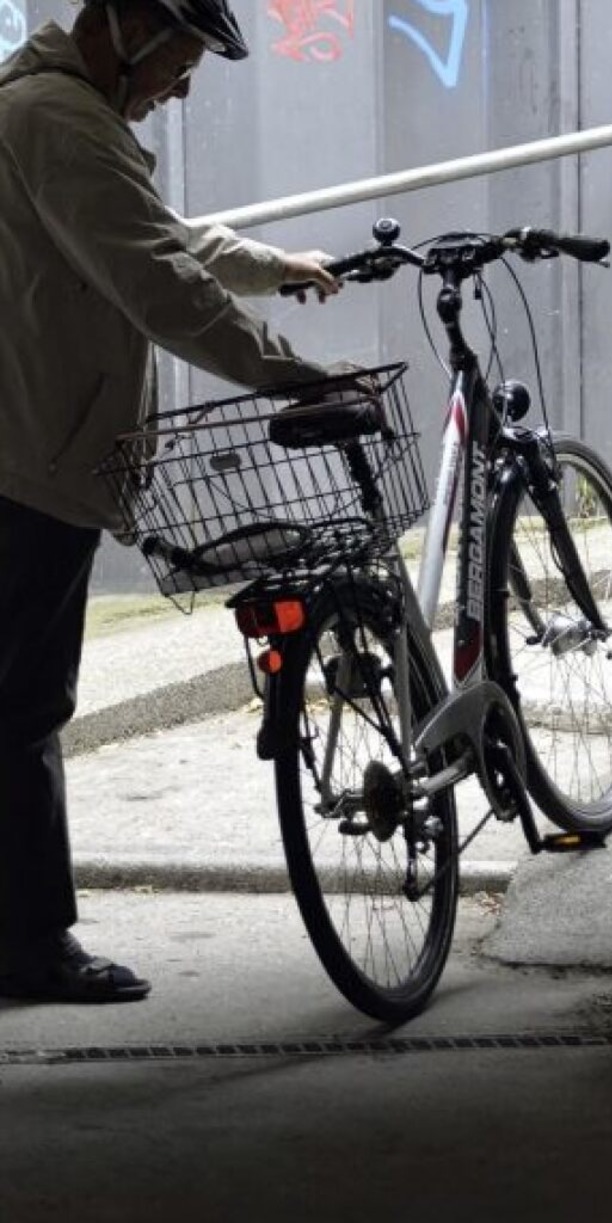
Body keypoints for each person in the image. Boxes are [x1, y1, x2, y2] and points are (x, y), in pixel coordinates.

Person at [0, 0, 342, 1004]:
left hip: (31, 439)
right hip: (31, 453)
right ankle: (28, 943)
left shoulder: (60, 111)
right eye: (181, 61)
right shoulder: (57, 119)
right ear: (128, 27)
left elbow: (160, 234)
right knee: (23, 704)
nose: (183, 87)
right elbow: (155, 279)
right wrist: (298, 379)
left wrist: (266, 266)